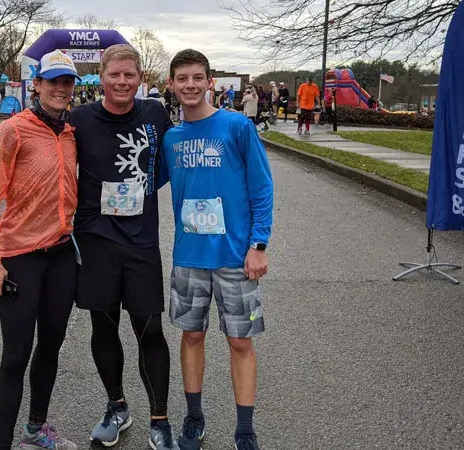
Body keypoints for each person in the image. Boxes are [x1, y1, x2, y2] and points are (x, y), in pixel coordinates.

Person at [162, 48, 274, 450]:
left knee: (240, 342)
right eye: (182, 79)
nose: (190, 85)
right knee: (191, 337)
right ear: (171, 85)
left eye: (197, 78)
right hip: (190, 257)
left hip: (235, 257)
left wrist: (259, 244)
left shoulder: (237, 127)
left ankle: (245, 430)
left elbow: (262, 188)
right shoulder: (171, 138)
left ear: (210, 82)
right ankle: (194, 418)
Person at [70, 44, 179, 450]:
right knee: (104, 327)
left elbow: (172, 159)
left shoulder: (154, 114)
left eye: (129, 75)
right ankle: (117, 406)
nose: (121, 82)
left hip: (141, 241)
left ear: (139, 78)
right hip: (96, 239)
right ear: (101, 76)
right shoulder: (80, 119)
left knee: (150, 329)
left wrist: (147, 186)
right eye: (114, 74)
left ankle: (160, 418)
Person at [0, 49, 80, 450]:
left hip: (62, 255)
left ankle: (36, 430)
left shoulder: (71, 133)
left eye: (66, 82)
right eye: (52, 81)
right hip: (20, 257)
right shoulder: (12, 131)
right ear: (36, 84)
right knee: (16, 355)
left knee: (51, 344)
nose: (59, 88)